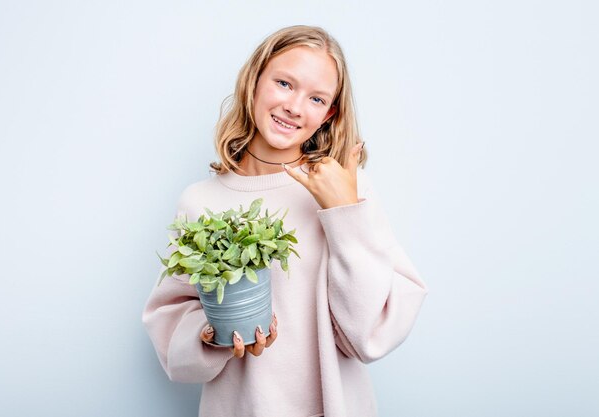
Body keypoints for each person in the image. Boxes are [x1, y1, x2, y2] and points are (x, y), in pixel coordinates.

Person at [142, 25, 429, 417]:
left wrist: (343, 211)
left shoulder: (347, 187)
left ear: (329, 114)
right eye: (283, 83)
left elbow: (369, 335)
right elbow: (171, 324)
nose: (295, 106)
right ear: (255, 82)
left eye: (316, 98)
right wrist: (213, 335)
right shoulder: (200, 200)